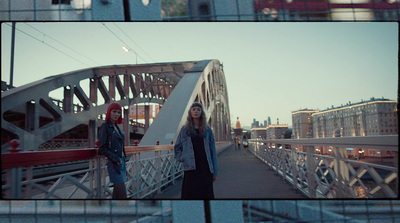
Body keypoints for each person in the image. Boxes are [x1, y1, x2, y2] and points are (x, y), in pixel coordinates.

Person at [174, 102, 218, 199]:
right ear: (190, 112)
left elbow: (212, 151)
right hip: (191, 169)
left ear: (202, 112)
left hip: (206, 169)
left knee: (206, 195)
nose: (196, 111)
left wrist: (215, 171)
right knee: (190, 195)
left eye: (198, 109)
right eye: (193, 109)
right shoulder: (184, 130)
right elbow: (177, 147)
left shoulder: (207, 130)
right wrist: (182, 157)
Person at [98, 102, 127, 199]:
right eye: (114, 111)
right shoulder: (105, 126)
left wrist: (122, 159)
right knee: (123, 194)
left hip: (121, 161)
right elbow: (102, 148)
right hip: (114, 163)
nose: (116, 114)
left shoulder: (117, 127)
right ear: (109, 112)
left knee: (117, 193)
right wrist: (116, 159)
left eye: (119, 112)